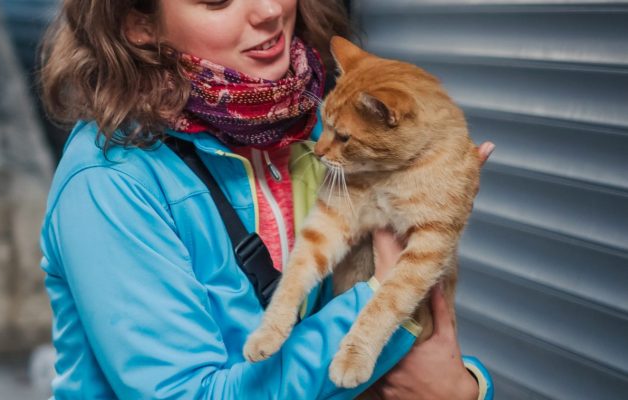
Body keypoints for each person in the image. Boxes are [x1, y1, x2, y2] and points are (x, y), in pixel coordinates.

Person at [37, 0, 495, 398]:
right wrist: (381, 309)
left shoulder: (321, 125)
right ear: (140, 24)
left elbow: (425, 359)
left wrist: (464, 388)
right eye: (217, 0)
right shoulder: (110, 184)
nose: (270, 11)